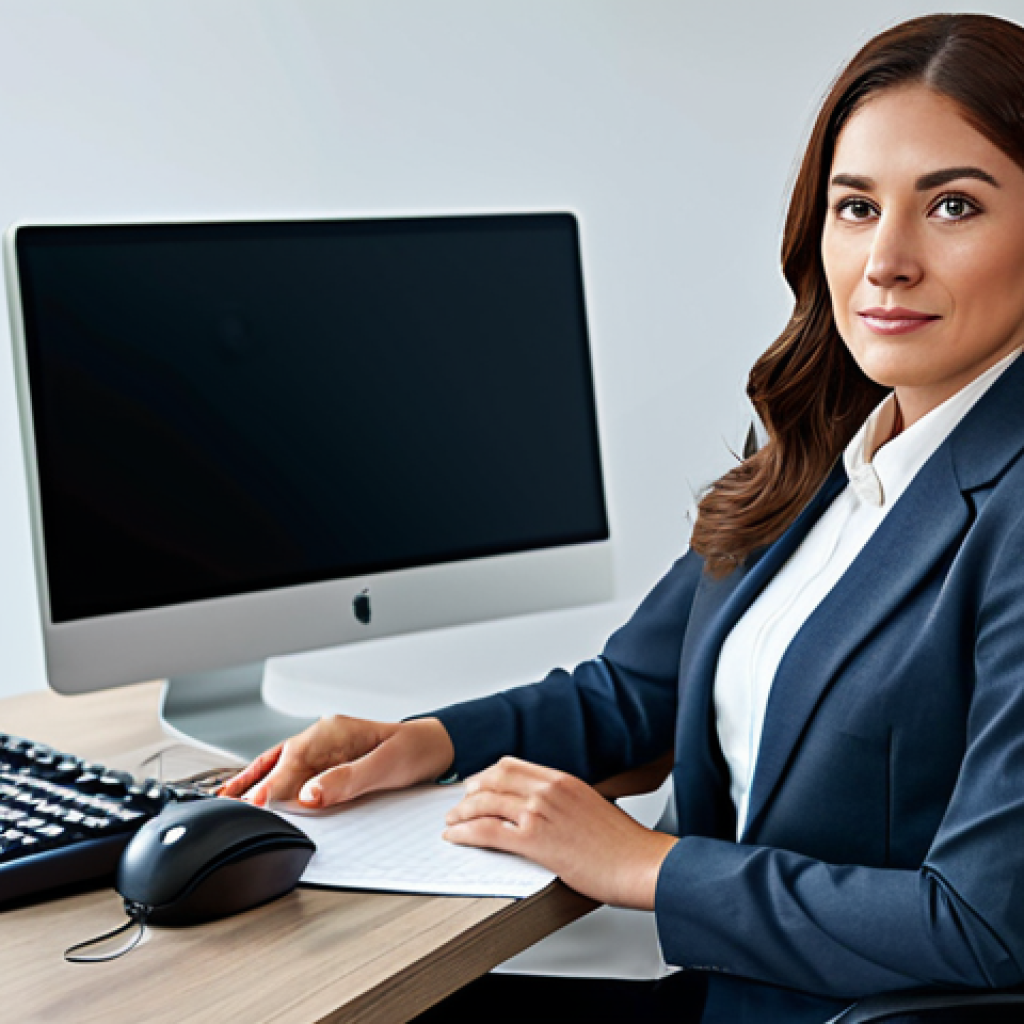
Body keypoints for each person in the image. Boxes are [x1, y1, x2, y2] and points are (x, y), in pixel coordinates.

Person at [219, 12, 1024, 1022]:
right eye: (855, 207)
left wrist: (648, 864)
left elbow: (986, 923)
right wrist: (420, 740)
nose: (885, 260)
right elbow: (632, 693)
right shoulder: (826, 433)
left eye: (951, 205)